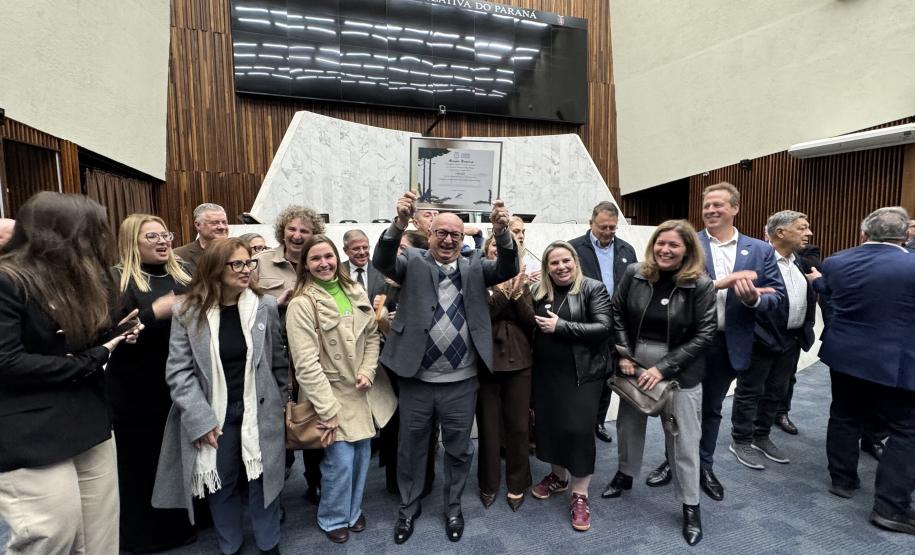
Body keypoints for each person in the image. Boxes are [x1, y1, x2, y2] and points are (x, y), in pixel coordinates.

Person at [0, 192, 142, 554]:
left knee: (101, 539)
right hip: (29, 432)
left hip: (88, 419)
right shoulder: (7, 280)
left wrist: (115, 333)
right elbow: (7, 363)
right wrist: (94, 356)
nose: (98, 242)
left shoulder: (78, 279)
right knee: (51, 535)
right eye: (90, 232)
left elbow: (77, 339)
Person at [373, 191, 518, 544]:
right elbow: (383, 259)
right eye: (441, 233)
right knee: (411, 449)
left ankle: (453, 506)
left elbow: (508, 267)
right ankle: (408, 508)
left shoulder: (474, 267)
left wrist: (501, 232)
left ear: (463, 237)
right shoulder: (414, 262)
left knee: (458, 449)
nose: (449, 239)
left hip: (461, 382)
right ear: (430, 233)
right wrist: (398, 222)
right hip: (417, 381)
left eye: (456, 234)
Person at [644, 182, 784, 499]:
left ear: (735, 208)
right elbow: (671, 286)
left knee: (711, 409)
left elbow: (777, 296)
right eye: (707, 205)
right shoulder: (686, 243)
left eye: (718, 205)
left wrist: (752, 301)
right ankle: (672, 461)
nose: (710, 210)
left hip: (727, 344)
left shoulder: (760, 251)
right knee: (675, 408)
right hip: (686, 343)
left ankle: (703, 465)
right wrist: (722, 283)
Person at [152, 238, 287, 555]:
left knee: (262, 479)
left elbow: (278, 361)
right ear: (215, 269)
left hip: (260, 409)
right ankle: (230, 545)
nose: (246, 270)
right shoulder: (188, 311)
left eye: (249, 263)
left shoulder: (264, 307)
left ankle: (269, 543)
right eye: (237, 264)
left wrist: (281, 403)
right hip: (214, 414)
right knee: (222, 481)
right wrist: (199, 419)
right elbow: (179, 372)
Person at [602, 220, 716, 545]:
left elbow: (705, 334)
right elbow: (617, 313)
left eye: (674, 245)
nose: (665, 250)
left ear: (687, 250)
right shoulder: (635, 273)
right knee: (628, 425)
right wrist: (624, 355)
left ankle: (690, 506)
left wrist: (664, 368)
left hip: (681, 369)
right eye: (660, 243)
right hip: (635, 362)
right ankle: (625, 475)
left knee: (683, 439)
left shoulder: (701, 285)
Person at [286, 235, 396, 543]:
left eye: (328, 257)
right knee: (339, 463)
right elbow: (306, 365)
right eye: (315, 259)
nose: (324, 263)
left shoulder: (354, 289)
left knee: (361, 457)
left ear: (337, 258)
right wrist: (328, 409)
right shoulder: (301, 304)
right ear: (305, 265)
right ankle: (332, 517)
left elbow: (372, 335)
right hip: (328, 394)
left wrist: (368, 369)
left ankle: (351, 511)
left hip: (361, 391)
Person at [812, 207, 915, 535]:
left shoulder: (835, 261)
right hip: (895, 361)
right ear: (904, 235)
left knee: (844, 415)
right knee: (906, 430)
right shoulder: (911, 265)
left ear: (863, 234)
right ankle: (891, 507)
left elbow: (827, 290)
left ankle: (842, 480)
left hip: (844, 355)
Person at [106, 214, 196, 552]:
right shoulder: (116, 280)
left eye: (165, 234)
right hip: (135, 390)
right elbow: (107, 335)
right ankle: (143, 537)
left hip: (178, 384)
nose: (163, 241)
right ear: (132, 242)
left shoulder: (184, 274)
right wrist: (154, 312)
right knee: (141, 466)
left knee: (177, 461)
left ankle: (181, 528)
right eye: (152, 237)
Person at [529, 241, 612, 532]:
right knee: (550, 428)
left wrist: (560, 326)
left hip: (583, 374)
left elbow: (604, 328)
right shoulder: (538, 291)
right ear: (546, 267)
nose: (561, 267)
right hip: (546, 375)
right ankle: (559, 478)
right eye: (554, 263)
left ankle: (580, 494)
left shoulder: (593, 288)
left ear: (575, 262)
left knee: (578, 432)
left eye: (566, 261)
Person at [252, 204, 326, 503]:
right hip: (271, 358)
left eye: (304, 231)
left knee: (312, 421)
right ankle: (274, 495)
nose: (296, 235)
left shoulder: (320, 263)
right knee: (273, 426)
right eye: (292, 229)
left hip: (311, 358)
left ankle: (316, 484)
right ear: (282, 229)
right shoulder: (259, 263)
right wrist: (274, 305)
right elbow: (243, 308)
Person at [740, 210, 817, 466]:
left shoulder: (798, 262)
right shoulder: (757, 260)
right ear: (781, 232)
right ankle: (741, 439)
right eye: (802, 228)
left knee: (776, 390)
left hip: (791, 339)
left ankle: (761, 435)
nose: (809, 233)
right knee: (751, 390)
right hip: (761, 338)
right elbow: (747, 299)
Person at [568, 201, 637, 444]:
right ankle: (581, 421)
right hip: (585, 324)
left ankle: (597, 421)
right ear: (591, 223)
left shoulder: (627, 250)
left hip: (616, 326)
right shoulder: (574, 248)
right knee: (586, 376)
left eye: (612, 228)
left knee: (609, 376)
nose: (607, 232)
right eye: (602, 227)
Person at [476, 235, 535, 512]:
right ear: (487, 253)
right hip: (486, 362)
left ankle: (517, 482)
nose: (499, 253)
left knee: (519, 426)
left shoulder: (525, 283)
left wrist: (520, 293)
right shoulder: (477, 280)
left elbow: (530, 322)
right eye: (494, 249)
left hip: (520, 361)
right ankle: (488, 484)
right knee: (488, 427)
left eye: (505, 251)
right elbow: (480, 318)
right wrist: (502, 293)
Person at [174, 203, 230, 267]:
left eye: (224, 222)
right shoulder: (180, 256)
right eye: (214, 223)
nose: (222, 227)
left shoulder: (239, 251)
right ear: (198, 225)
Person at [342, 229, 385, 301]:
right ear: (345, 251)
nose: (362, 252)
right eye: (356, 249)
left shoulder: (382, 270)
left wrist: (384, 303)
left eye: (365, 247)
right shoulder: (338, 271)